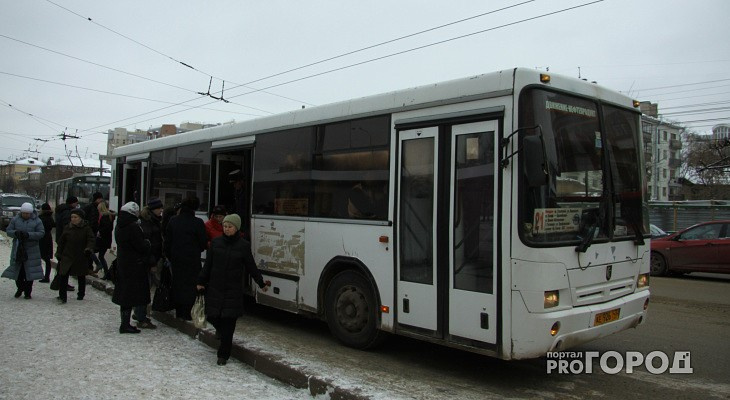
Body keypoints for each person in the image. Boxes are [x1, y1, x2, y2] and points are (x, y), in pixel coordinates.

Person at [196, 213, 270, 365]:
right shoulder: (216, 243)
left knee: (229, 324)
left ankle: (223, 355)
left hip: (233, 290)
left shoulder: (243, 246)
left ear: (236, 228)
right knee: (212, 316)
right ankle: (222, 333)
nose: (227, 229)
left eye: (230, 227)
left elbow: (251, 266)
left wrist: (261, 283)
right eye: (225, 226)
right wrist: (201, 281)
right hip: (216, 287)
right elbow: (208, 264)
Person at [164, 196, 207, 320]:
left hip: (176, 259)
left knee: (178, 284)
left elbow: (167, 241)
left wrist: (170, 256)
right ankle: (188, 312)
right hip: (193, 259)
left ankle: (179, 311)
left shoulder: (173, 221)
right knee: (191, 285)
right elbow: (203, 243)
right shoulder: (198, 222)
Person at [112, 202, 152, 334]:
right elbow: (140, 246)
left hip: (123, 263)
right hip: (135, 264)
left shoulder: (119, 225)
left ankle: (125, 322)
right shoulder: (133, 226)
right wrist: (147, 243)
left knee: (125, 294)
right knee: (131, 294)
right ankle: (125, 325)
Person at [2, 203, 45, 299]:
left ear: (31, 213)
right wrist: (16, 233)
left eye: (27, 213)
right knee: (18, 272)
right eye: (24, 213)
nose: (26, 215)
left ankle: (28, 292)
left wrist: (29, 235)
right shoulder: (15, 220)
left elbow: (41, 233)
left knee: (29, 272)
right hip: (17, 249)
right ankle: (20, 288)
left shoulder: (37, 221)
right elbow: (8, 230)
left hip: (32, 250)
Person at [134, 197, 164, 329]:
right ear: (153, 209)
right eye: (159, 208)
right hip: (148, 261)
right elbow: (148, 245)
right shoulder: (148, 222)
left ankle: (139, 313)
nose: (161, 210)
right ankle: (141, 316)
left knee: (145, 288)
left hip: (150, 260)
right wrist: (152, 262)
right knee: (144, 289)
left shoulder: (152, 220)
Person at [55, 209, 95, 303]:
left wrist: (89, 249)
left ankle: (81, 294)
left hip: (80, 255)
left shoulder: (86, 228)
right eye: (72, 217)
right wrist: (59, 253)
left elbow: (91, 240)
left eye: (75, 217)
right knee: (63, 275)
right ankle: (62, 296)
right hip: (67, 255)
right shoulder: (67, 227)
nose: (73, 219)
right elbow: (62, 242)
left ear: (81, 218)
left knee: (81, 275)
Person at [54, 196, 79, 292]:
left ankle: (61, 282)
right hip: (65, 240)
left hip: (60, 238)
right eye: (76, 203)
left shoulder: (61, 210)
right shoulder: (67, 212)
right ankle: (62, 282)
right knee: (65, 263)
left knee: (63, 262)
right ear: (72, 203)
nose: (77, 205)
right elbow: (66, 226)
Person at [92, 201, 115, 280]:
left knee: (92, 252)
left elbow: (106, 228)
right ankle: (106, 273)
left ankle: (105, 271)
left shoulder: (105, 217)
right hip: (105, 239)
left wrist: (99, 231)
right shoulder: (109, 216)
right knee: (101, 255)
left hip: (102, 239)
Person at [38, 203, 55, 283]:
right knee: (47, 259)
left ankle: (42, 275)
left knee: (41, 257)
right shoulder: (50, 217)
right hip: (48, 238)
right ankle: (46, 276)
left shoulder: (40, 218)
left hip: (41, 239)